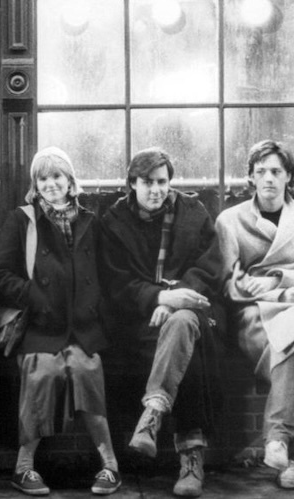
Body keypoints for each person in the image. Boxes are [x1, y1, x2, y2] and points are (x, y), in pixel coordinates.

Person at [0, 147, 121, 497]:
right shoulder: (22, 220)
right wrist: (32, 294)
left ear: (70, 181)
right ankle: (24, 467)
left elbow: (106, 274)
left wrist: (97, 313)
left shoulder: (90, 221)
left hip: (82, 325)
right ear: (36, 184)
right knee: (42, 373)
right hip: (40, 326)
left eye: (57, 177)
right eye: (43, 178)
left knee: (85, 370)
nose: (51, 184)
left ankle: (110, 465)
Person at [100, 148, 225, 497]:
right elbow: (114, 280)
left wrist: (177, 298)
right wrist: (157, 297)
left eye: (162, 182)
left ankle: (153, 415)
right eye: (147, 182)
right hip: (138, 318)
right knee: (185, 341)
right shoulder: (113, 221)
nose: (156, 190)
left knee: (185, 324)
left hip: (193, 309)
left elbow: (209, 266)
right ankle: (190, 458)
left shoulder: (193, 212)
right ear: (131, 184)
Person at [216, 140, 294, 491]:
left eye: (276, 171)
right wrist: (278, 290)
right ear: (251, 178)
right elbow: (230, 284)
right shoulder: (230, 220)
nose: (268, 178)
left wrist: (279, 278)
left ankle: (277, 442)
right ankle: (289, 457)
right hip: (253, 312)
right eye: (260, 172)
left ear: (289, 177)